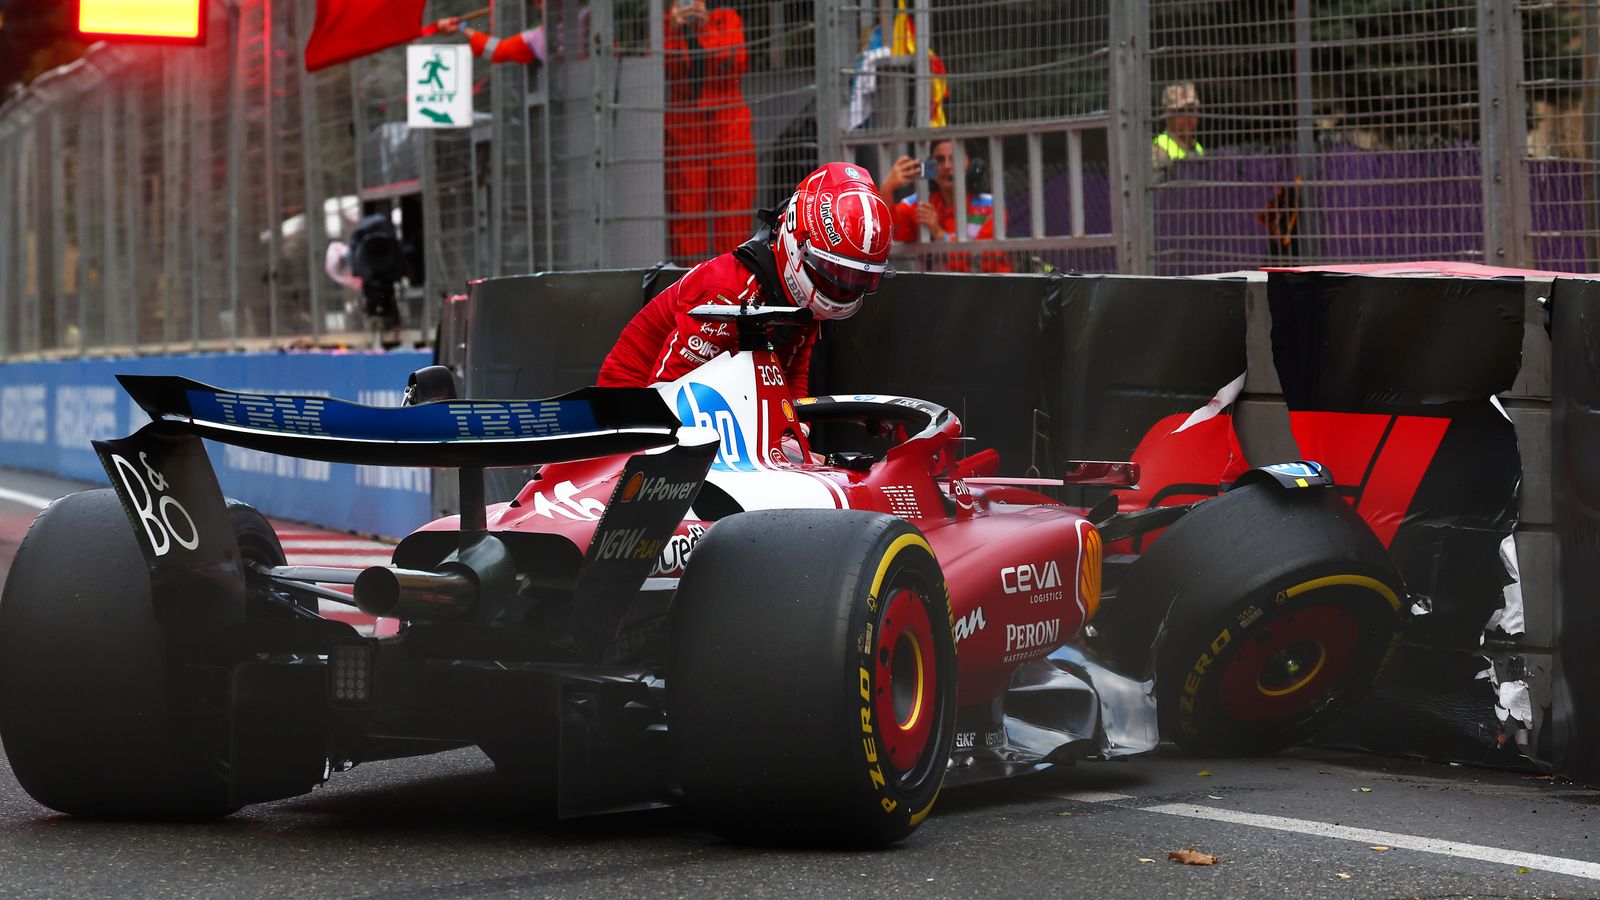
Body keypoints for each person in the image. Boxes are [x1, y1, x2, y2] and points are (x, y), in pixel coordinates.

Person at [598, 163, 891, 396]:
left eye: (855, 278)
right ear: (797, 240)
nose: (842, 286)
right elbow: (667, 396)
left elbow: (790, 377)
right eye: (836, 273)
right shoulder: (724, 291)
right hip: (630, 409)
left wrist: (795, 435)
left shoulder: (801, 303)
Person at [663, 0, 756, 262]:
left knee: (734, 201)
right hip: (686, 120)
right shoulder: (669, 24)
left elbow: (736, 60)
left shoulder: (726, 19)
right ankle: (688, 277)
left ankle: (733, 272)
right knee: (686, 205)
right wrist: (675, 28)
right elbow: (665, 64)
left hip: (727, 116)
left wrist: (702, 29)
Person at [878, 139, 1011, 273]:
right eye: (940, 160)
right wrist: (887, 189)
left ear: (972, 165)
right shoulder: (918, 204)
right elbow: (886, 231)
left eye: (954, 158)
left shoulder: (991, 206)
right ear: (930, 168)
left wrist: (939, 233)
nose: (947, 166)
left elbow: (986, 260)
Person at [1153, 81, 1204, 170]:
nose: (1187, 117)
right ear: (1167, 114)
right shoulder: (1157, 150)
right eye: (1181, 112)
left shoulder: (1197, 147)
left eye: (1191, 110)